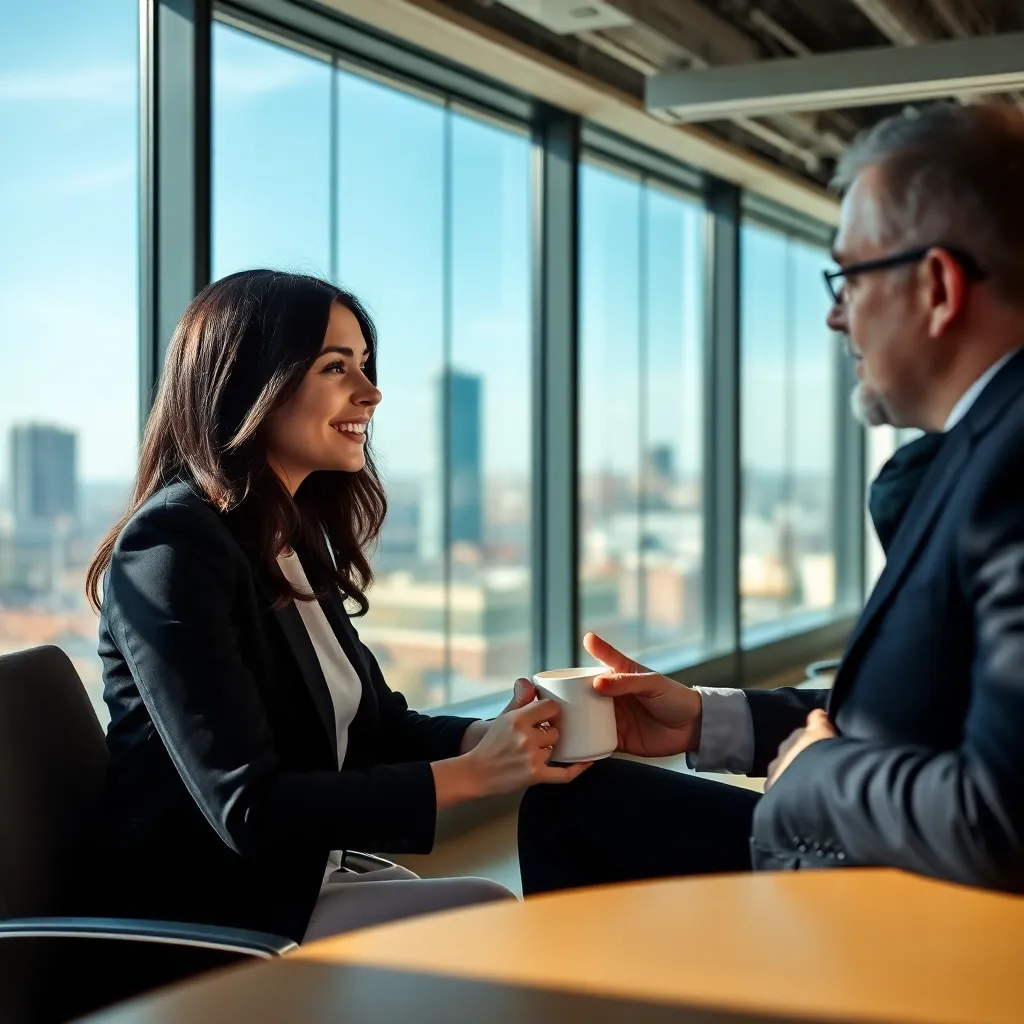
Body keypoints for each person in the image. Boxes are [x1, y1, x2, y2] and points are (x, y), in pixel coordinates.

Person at [518, 101, 1024, 896]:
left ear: (935, 286)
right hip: (885, 862)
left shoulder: (1010, 469)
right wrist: (708, 718)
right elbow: (936, 714)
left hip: (904, 911)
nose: (834, 315)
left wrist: (819, 773)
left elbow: (1005, 817)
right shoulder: (978, 448)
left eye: (849, 278)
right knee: (584, 804)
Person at [79, 270, 589, 944]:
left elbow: (374, 724)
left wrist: (497, 736)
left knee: (502, 912)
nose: (371, 393)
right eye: (335, 367)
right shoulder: (171, 547)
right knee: (490, 924)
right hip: (210, 917)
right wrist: (469, 776)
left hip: (299, 880)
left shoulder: (284, 533)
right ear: (250, 381)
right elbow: (250, 808)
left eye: (367, 366)